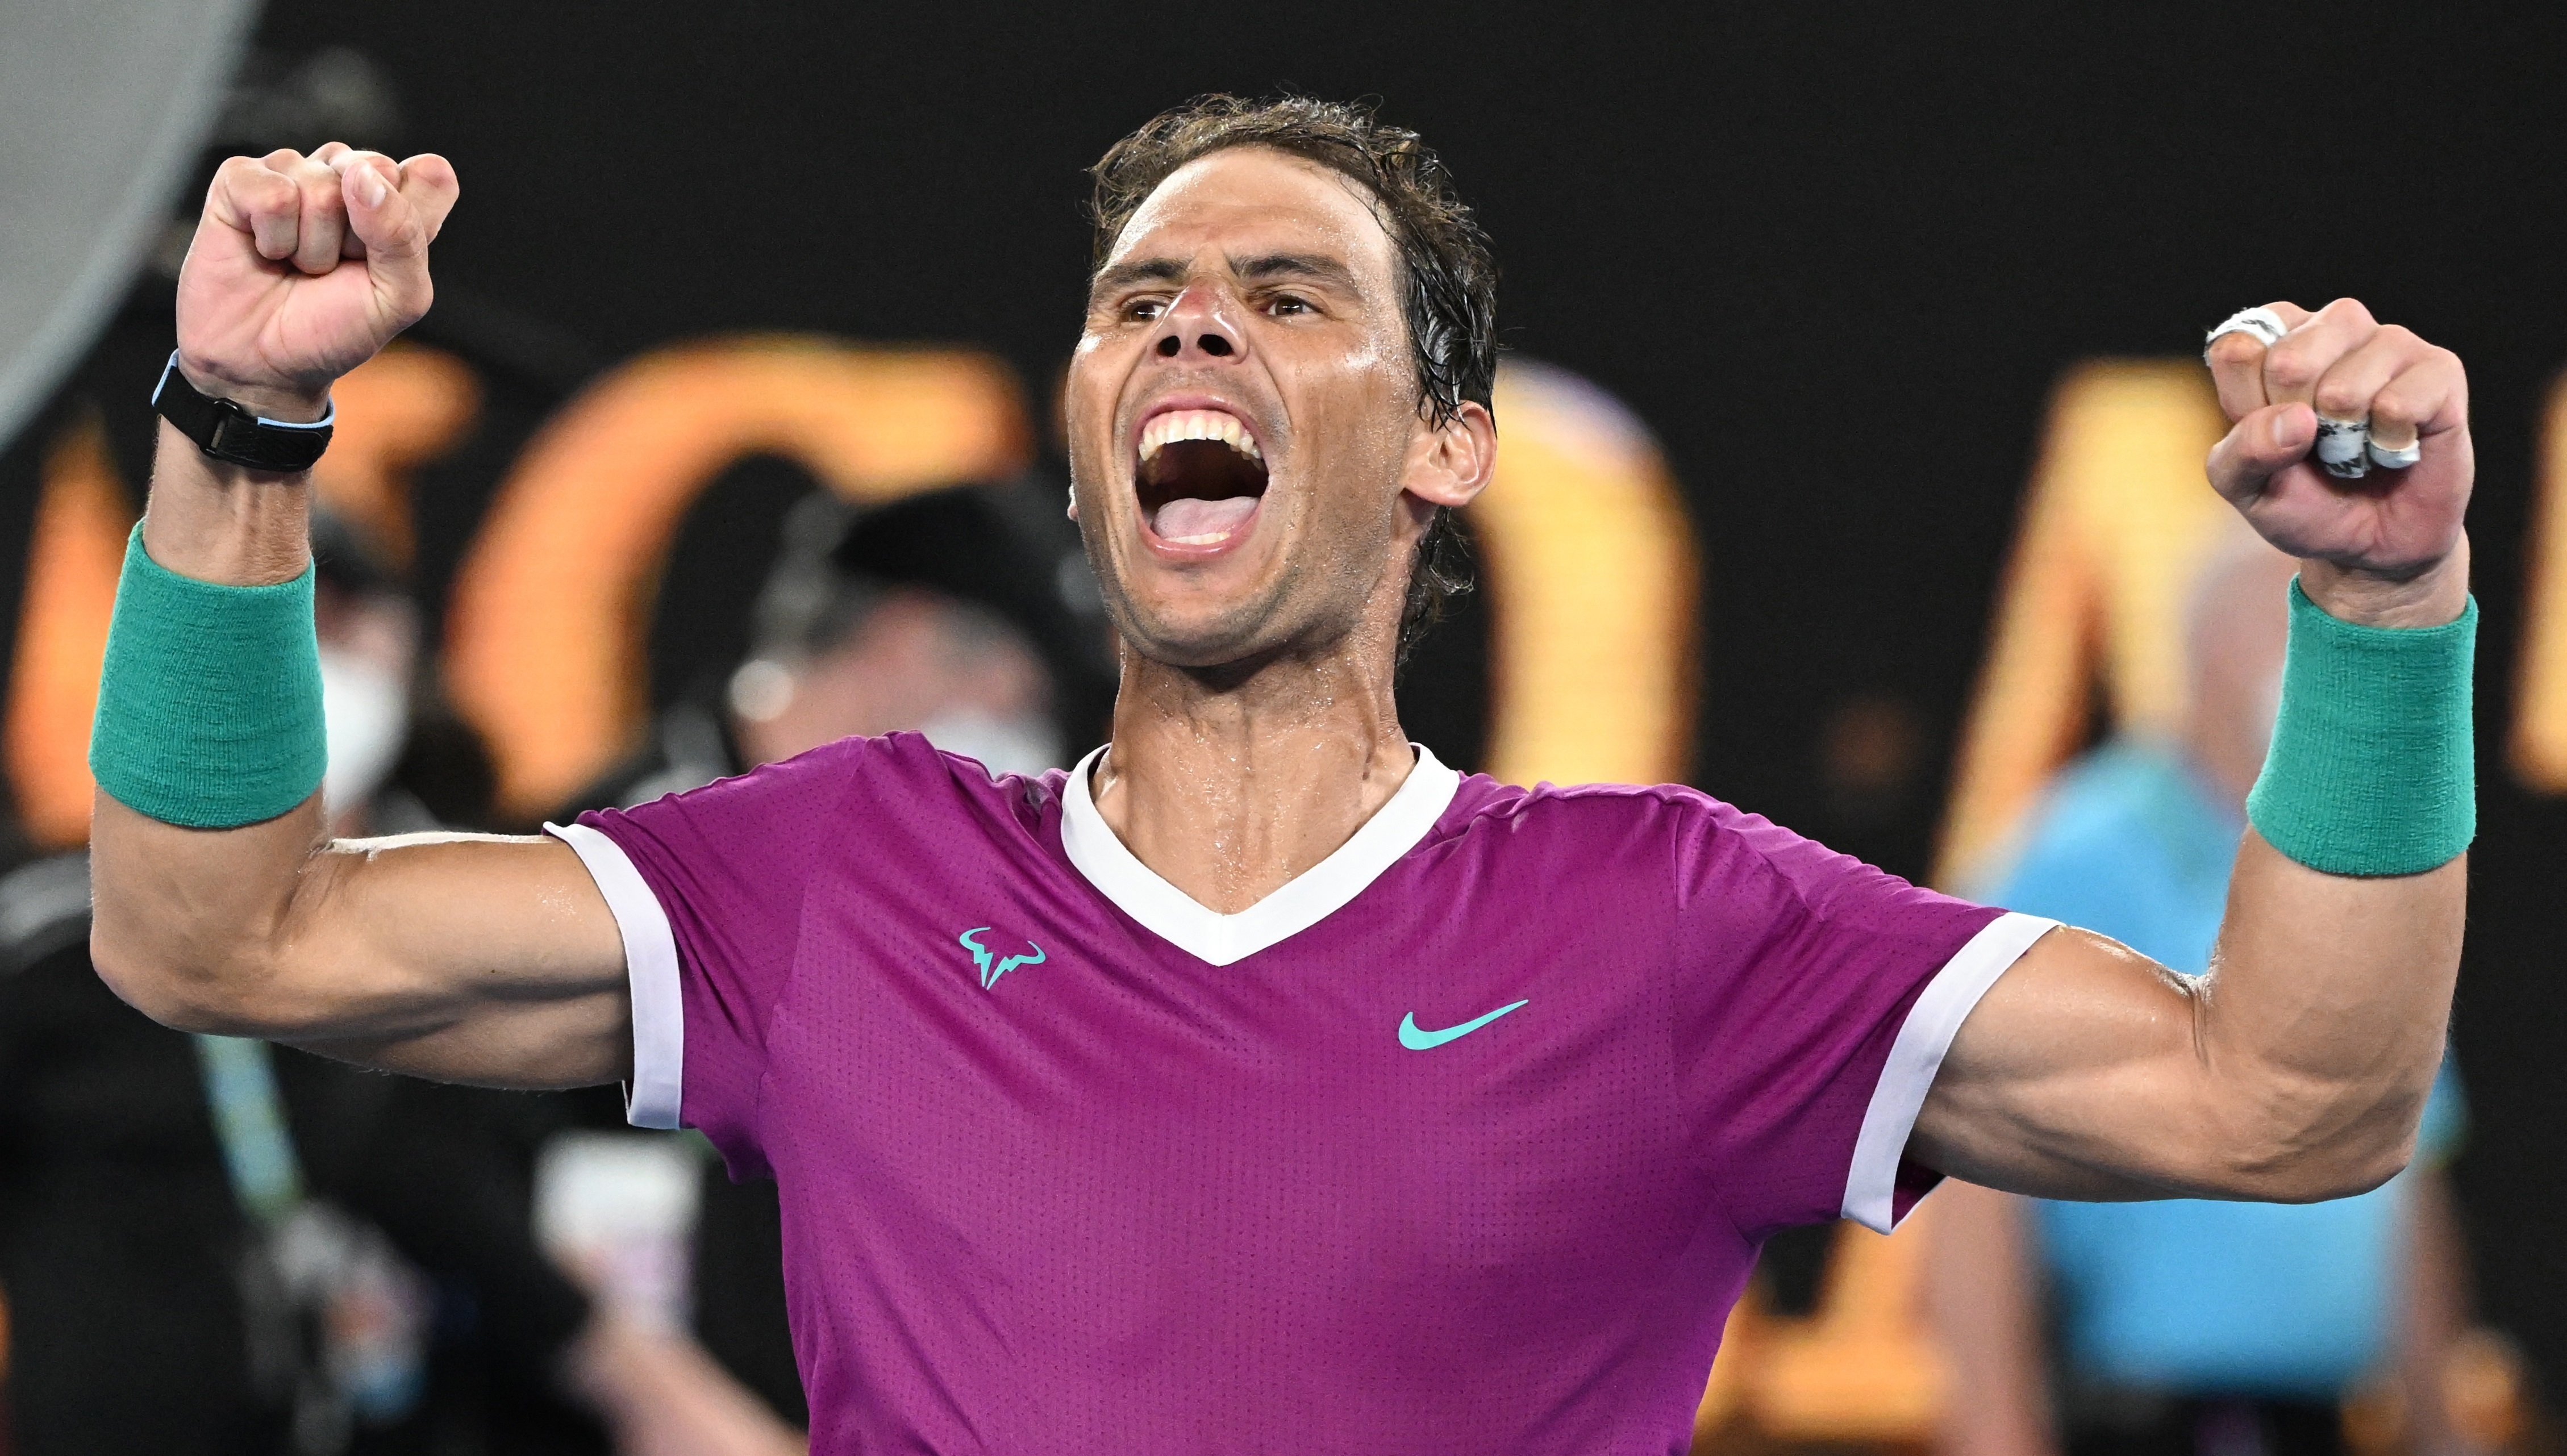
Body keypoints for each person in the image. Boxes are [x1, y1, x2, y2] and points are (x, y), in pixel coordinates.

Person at [84, 97, 2476, 1454]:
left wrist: (2373, 626)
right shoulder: (839, 876)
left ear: (1447, 443)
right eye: (1136, 300)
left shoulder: (1670, 926)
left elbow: (2296, 1100)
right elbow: (216, 928)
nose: (1187, 320)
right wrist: (239, 423)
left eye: (1286, 294)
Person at [0, 513, 801, 1456]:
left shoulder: (503, 902)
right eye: (283, 617)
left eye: (345, 621)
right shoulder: (63, 942)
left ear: (407, 645)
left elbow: (512, 1191)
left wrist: (654, 1393)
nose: (314, 656)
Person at [571, 481, 1114, 1425]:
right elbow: (432, 1148)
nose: (1021, 735)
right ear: (909, 637)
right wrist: (660, 1395)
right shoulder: (630, 849)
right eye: (1013, 690)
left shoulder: (935, 886)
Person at [1928, 537, 2482, 1456]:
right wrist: (1995, 1430)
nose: (2315, 653)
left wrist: (2440, 1428)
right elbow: (1972, 1164)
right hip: (2139, 1416)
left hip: (2325, 1419)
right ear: (2201, 652)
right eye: (2286, 621)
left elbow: (2403, 1166)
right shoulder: (2076, 852)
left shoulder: (2364, 860)